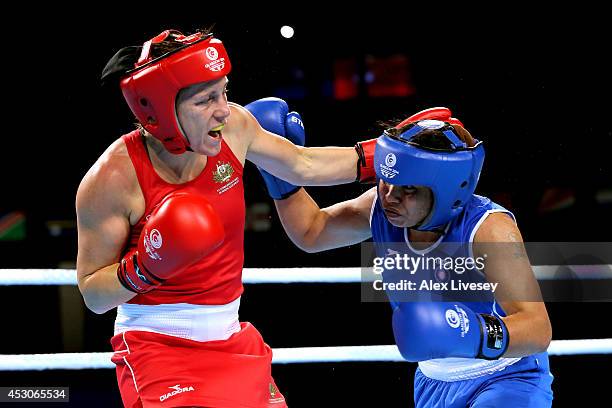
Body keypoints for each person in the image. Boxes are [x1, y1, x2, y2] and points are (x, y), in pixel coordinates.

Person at [76, 29, 376, 407]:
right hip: (158, 349)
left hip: (232, 339)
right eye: (205, 100)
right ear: (160, 111)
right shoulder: (113, 180)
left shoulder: (234, 126)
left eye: (224, 92)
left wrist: (388, 155)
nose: (222, 109)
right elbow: (92, 293)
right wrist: (145, 268)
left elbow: (304, 165)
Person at [249, 104, 555, 407]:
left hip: (506, 378)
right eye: (385, 179)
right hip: (433, 383)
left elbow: (537, 328)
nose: (390, 196)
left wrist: (468, 331)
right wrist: (277, 174)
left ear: (448, 191)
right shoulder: (380, 208)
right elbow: (311, 232)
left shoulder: (489, 229)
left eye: (408, 189)